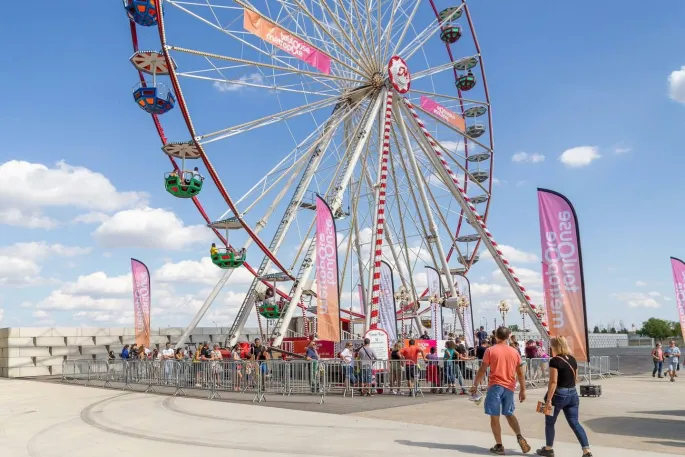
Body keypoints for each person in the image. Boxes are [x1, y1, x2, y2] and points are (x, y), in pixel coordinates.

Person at [470, 326, 530, 455]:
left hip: (495, 386)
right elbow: (520, 373)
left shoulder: (490, 351)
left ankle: (499, 445)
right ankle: (519, 436)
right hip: (510, 386)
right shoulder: (515, 352)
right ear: (508, 336)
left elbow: (483, 368)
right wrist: (523, 390)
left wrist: (475, 384)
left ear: (496, 336)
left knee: (494, 416)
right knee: (509, 413)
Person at [536, 336, 592, 457]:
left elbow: (553, 382)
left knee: (550, 422)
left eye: (551, 346)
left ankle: (549, 449)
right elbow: (576, 378)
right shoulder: (572, 359)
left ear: (555, 346)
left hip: (558, 395)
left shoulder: (555, 360)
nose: (550, 348)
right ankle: (586, 450)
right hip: (572, 394)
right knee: (575, 423)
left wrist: (549, 400)